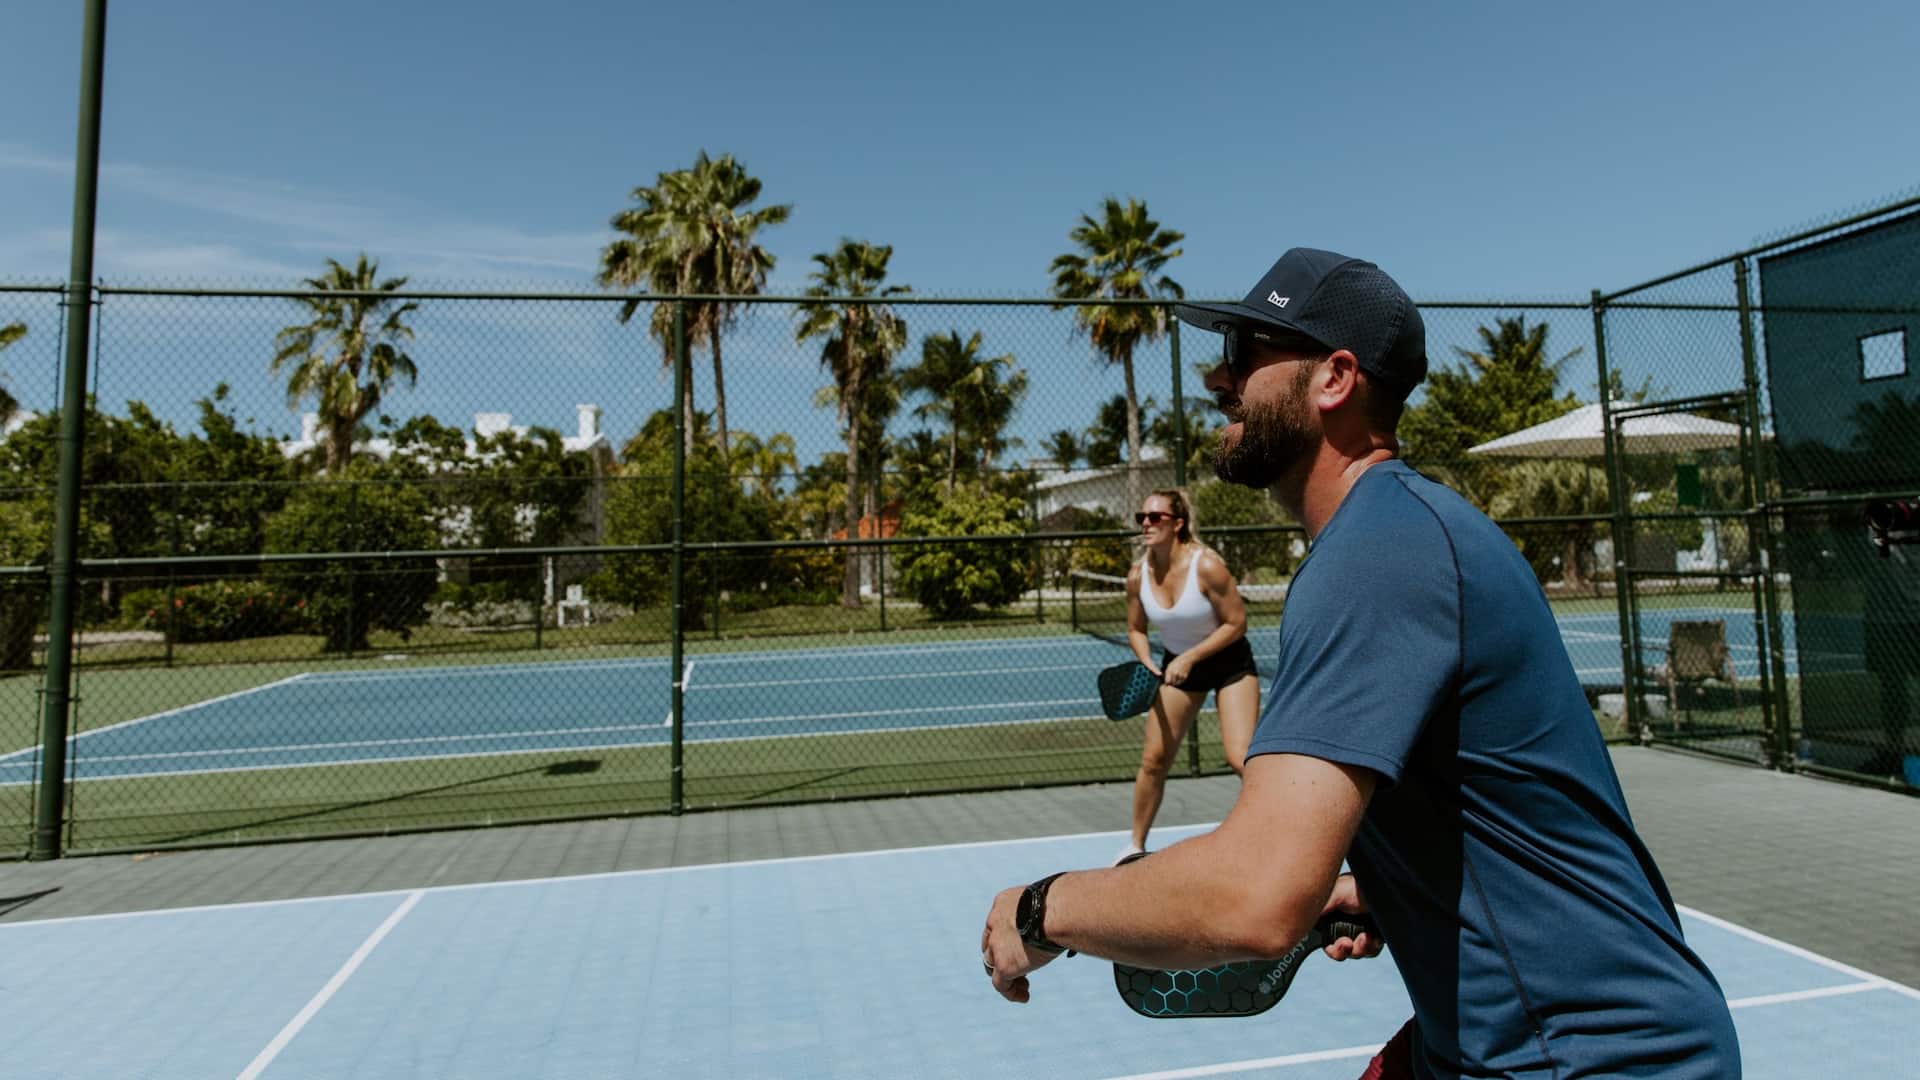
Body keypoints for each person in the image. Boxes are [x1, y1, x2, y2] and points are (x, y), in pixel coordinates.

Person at [981, 248, 1740, 1078]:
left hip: (1583, 1059)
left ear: (1334, 378)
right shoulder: (1400, 532)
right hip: (1534, 1045)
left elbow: (1255, 894)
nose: (1217, 379)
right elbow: (1487, 800)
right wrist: (1377, 888)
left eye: (1244, 354)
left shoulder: (1379, 554)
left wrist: (1039, 909)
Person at [1116, 488, 1261, 863]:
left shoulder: (1207, 566)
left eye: (1155, 517)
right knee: (1154, 760)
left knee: (1240, 756)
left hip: (1229, 663)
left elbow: (1237, 623)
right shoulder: (1137, 576)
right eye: (1141, 518)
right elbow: (1135, 628)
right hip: (1177, 666)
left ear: (1177, 523)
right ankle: (1134, 846)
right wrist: (1148, 660)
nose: (1145, 524)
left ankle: (1278, 832)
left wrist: (1192, 657)